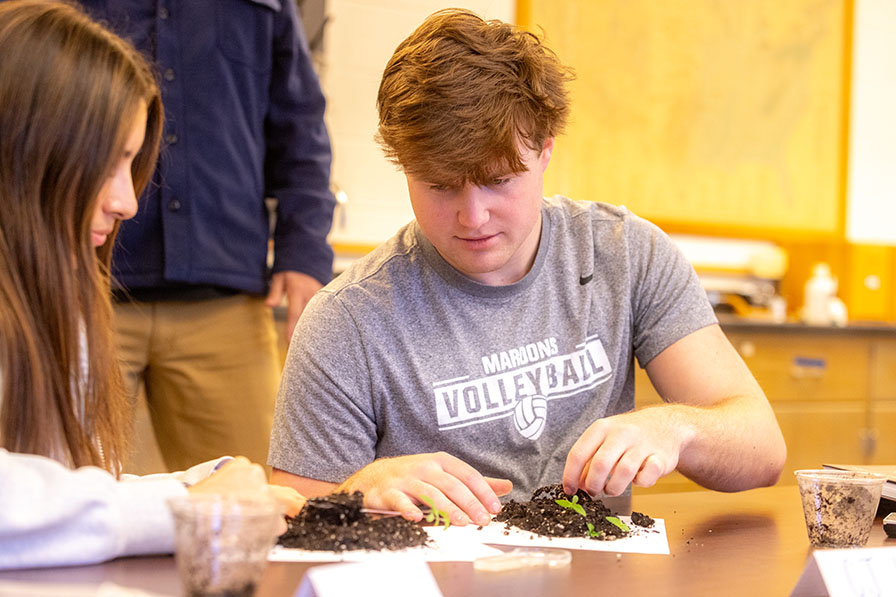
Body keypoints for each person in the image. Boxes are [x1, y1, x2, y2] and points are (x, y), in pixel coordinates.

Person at [268, 8, 787, 527]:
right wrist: (358, 490)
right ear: (404, 167)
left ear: (544, 153)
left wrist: (677, 429)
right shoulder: (345, 321)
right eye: (441, 184)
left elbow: (762, 453)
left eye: (498, 180)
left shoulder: (624, 254)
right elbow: (290, 519)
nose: (473, 217)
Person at [0, 0, 303, 570]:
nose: (128, 203)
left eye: (133, 166)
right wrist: (181, 506)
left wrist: (203, 484)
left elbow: (60, 488)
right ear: (26, 146)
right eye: (109, 163)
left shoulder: (57, 295)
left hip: (221, 283)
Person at [75, 0, 336, 472]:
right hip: (82, 291)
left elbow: (300, 128)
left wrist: (303, 251)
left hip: (227, 301)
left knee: (265, 496)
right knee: (63, 496)